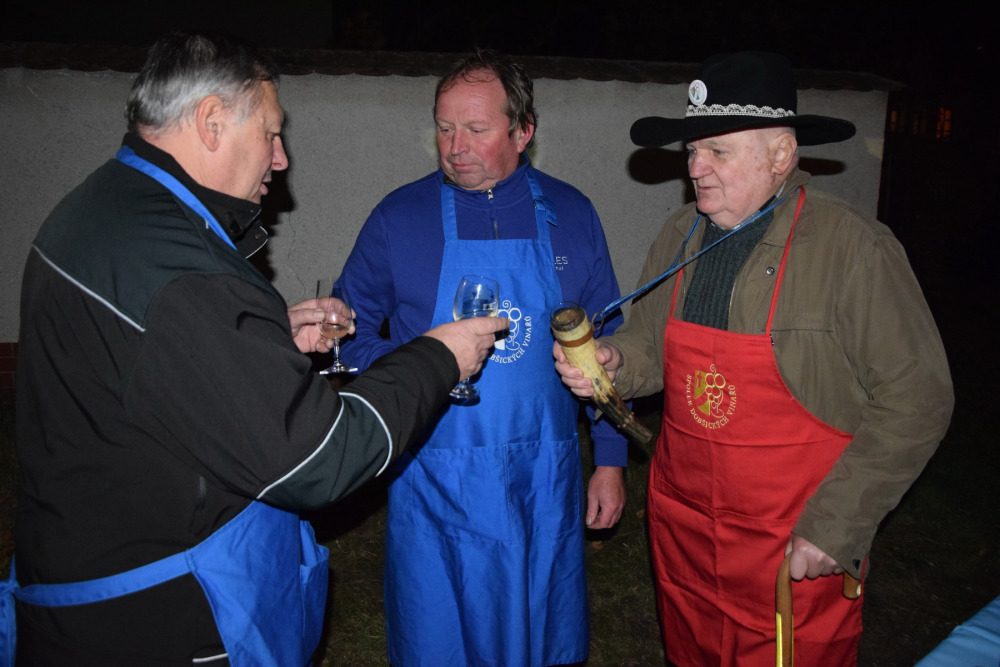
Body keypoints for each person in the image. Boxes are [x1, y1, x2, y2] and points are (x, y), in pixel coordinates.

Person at [2, 31, 507, 665]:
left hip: (82, 584)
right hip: (158, 616)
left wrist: (259, 339)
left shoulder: (104, 207)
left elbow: (157, 362)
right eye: (270, 133)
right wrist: (438, 356)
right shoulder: (181, 270)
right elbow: (322, 457)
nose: (281, 158)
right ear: (212, 121)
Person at [555, 51, 954, 666]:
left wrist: (839, 524)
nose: (695, 167)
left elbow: (918, 398)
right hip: (685, 529)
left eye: (718, 151)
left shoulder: (853, 249)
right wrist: (615, 361)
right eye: (693, 151)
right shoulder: (679, 234)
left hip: (794, 542)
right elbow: (651, 345)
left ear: (781, 155)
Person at [335, 49, 628, 666]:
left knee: (537, 633)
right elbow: (347, 331)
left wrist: (609, 460)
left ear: (524, 131)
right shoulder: (399, 217)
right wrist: (418, 362)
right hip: (433, 473)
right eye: (444, 128)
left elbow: (606, 347)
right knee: (439, 637)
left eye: (476, 129)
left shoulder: (572, 214)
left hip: (543, 475)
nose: (455, 147)